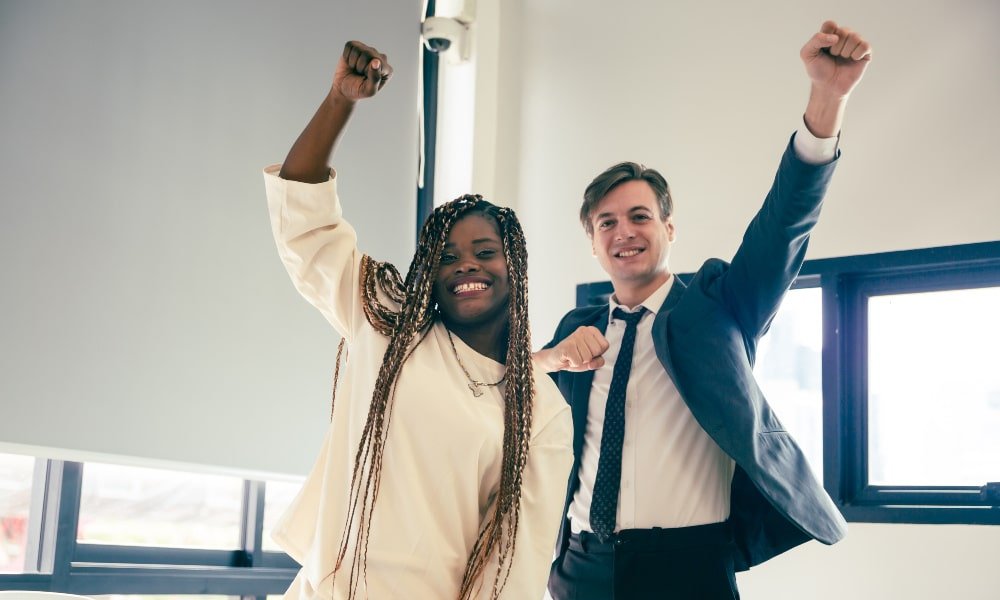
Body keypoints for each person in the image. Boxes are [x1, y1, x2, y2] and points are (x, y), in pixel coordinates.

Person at [534, 20, 873, 599]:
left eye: (639, 216)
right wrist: (547, 358)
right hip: (582, 568)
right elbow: (505, 405)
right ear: (593, 243)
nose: (624, 232)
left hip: (687, 569)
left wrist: (828, 98)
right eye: (606, 223)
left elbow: (783, 225)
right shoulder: (577, 330)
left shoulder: (721, 308)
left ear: (668, 227)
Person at [263, 41, 572, 600]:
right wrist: (339, 101)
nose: (466, 266)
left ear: (516, 268)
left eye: (484, 251)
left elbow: (515, 563)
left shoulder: (541, 408)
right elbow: (304, 224)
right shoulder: (384, 322)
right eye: (447, 257)